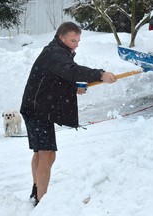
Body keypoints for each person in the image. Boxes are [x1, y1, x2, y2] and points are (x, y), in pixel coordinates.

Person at [20, 21, 117, 206]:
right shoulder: (56, 53)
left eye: (78, 41)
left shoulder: (56, 50)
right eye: (73, 40)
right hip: (38, 109)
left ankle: (36, 192)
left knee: (41, 153)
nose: (76, 44)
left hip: (34, 106)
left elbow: (57, 76)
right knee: (47, 154)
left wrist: (73, 87)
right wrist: (100, 74)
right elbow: (71, 70)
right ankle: (41, 202)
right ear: (61, 37)